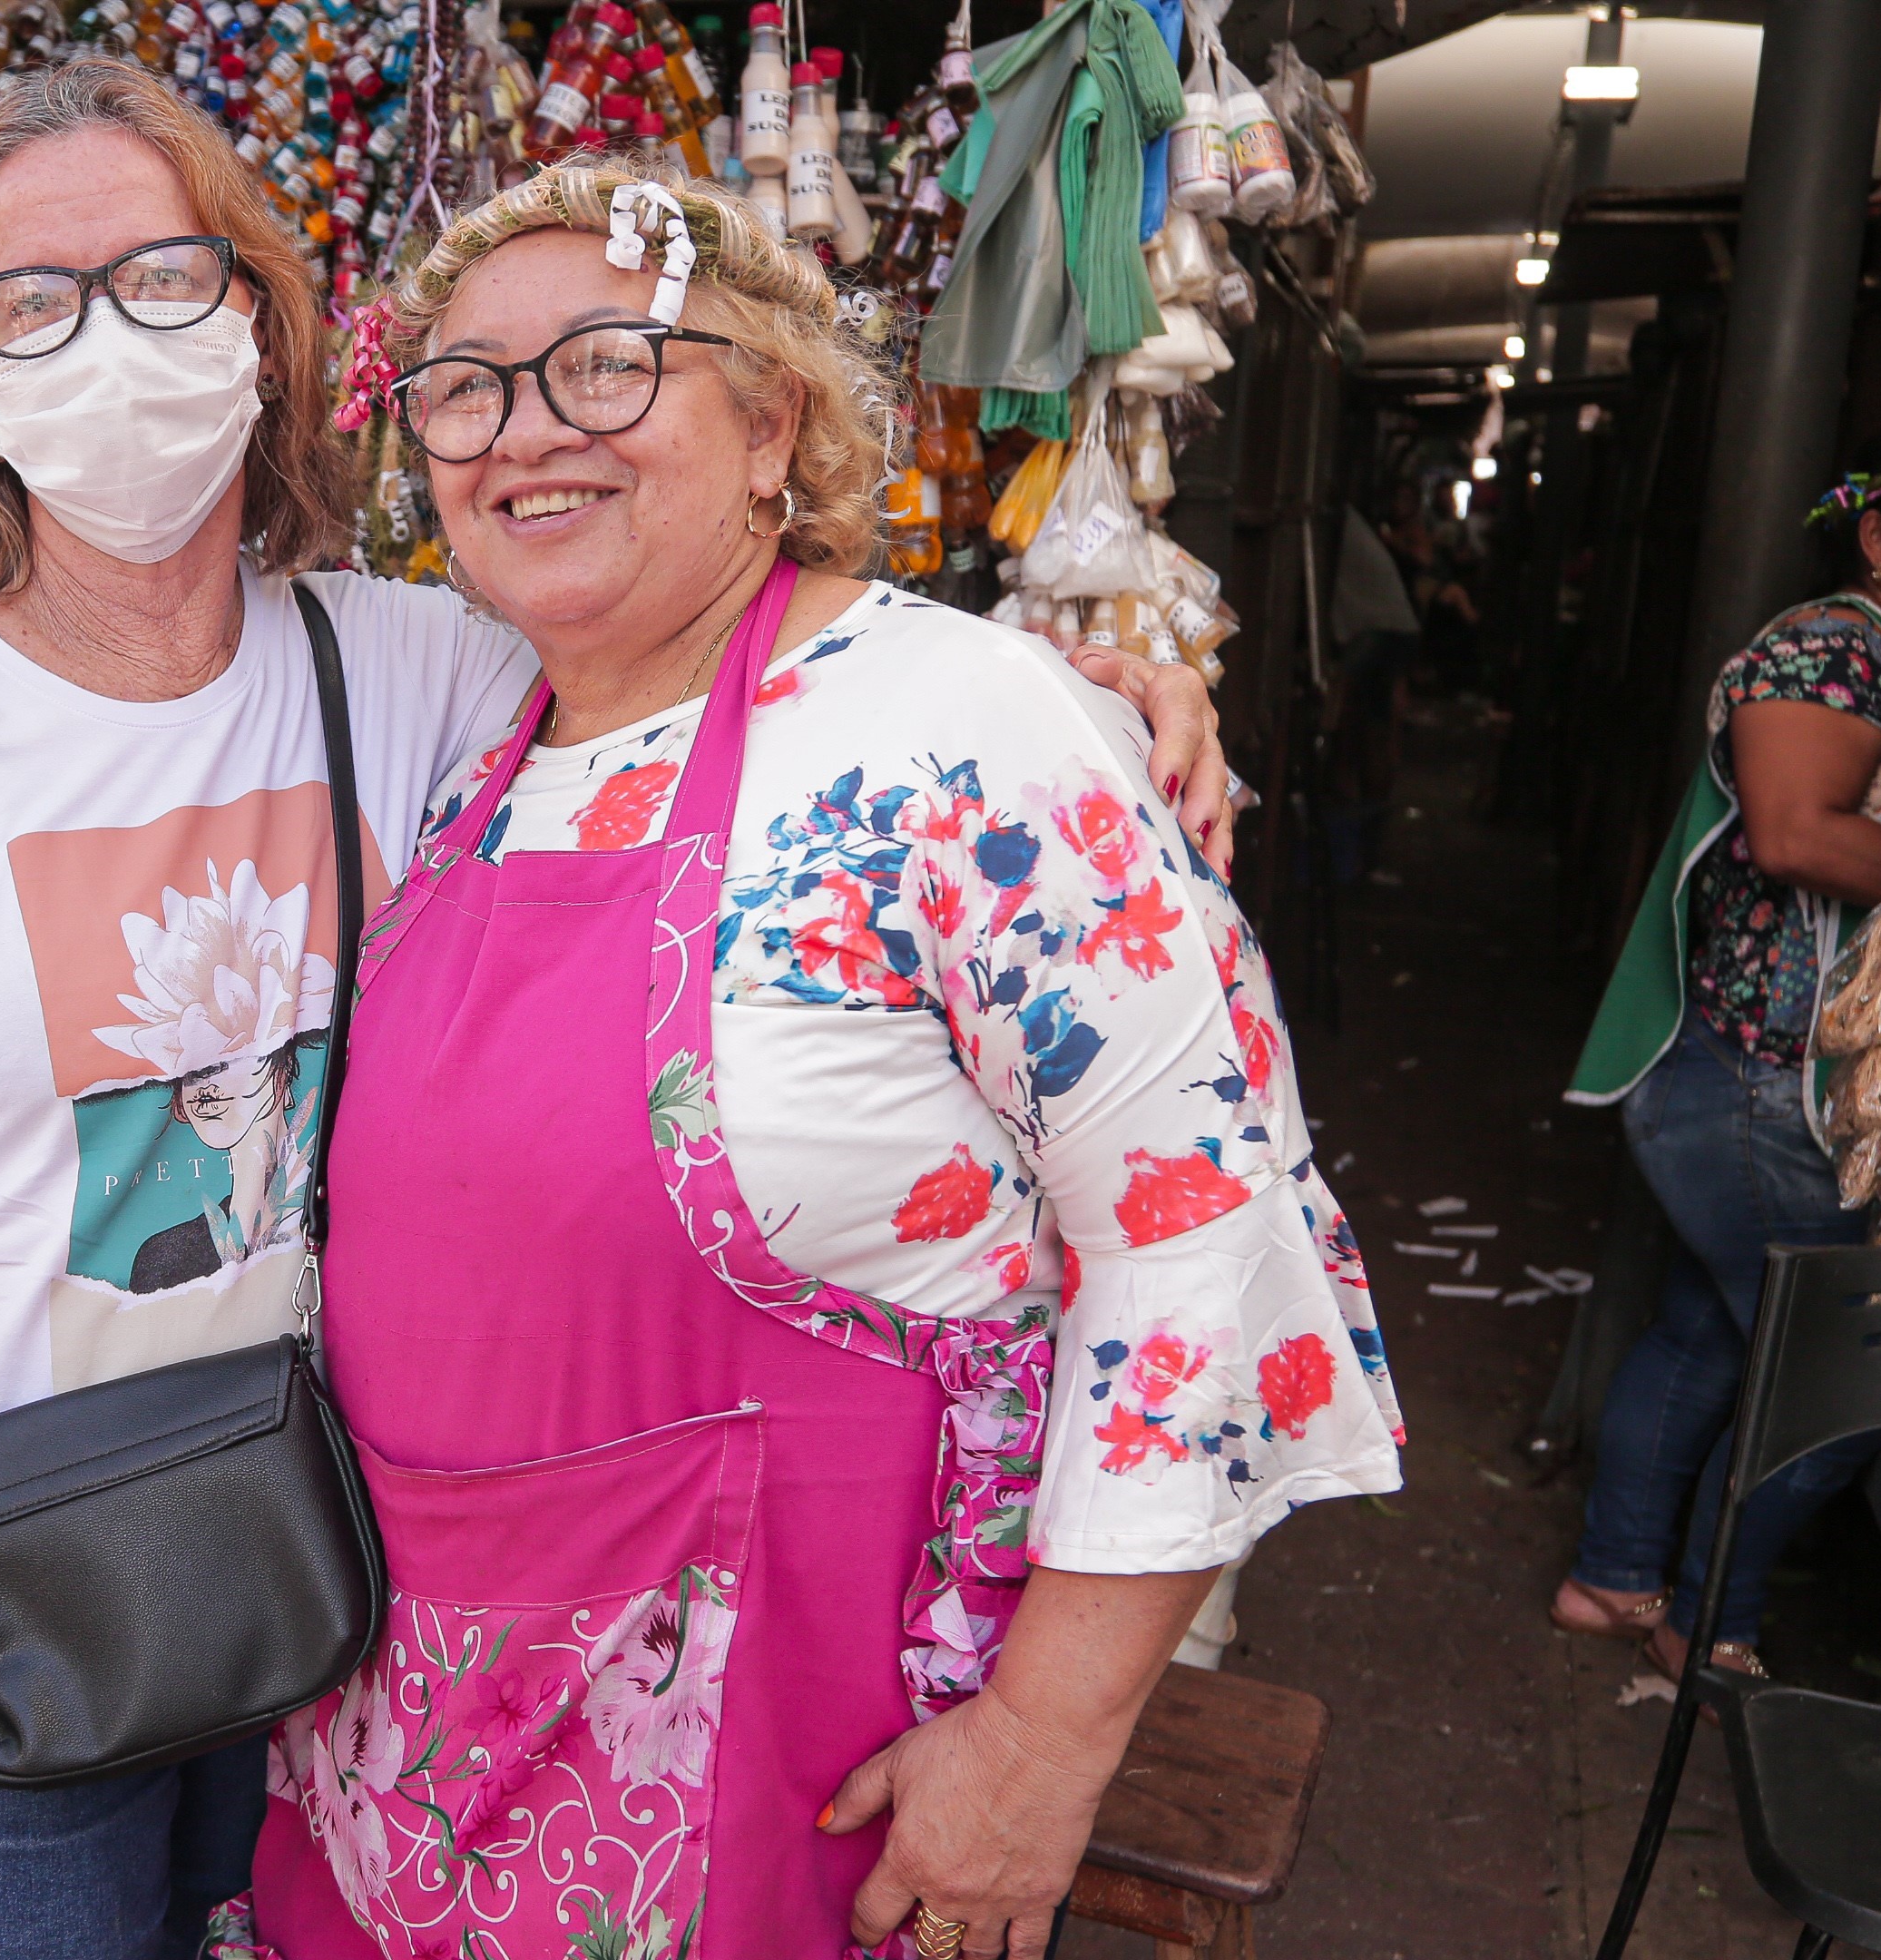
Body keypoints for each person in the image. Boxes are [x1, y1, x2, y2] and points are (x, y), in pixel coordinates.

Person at [0, 62, 1231, 1960]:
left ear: (258, 320)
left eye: (163, 276)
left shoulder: (423, 658)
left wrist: (1068, 690)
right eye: (32, 300)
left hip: (324, 1565)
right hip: (15, 1578)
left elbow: (725, 650)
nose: (102, 341)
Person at [209, 162, 1400, 1960]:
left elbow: (1205, 1241)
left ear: (774, 424)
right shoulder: (472, 756)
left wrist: (1044, 1748)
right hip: (408, 1745)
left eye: (609, 363)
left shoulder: (965, 730)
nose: (529, 430)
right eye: (465, 387)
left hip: (796, 1762)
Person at [1561, 426, 1881, 1678]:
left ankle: (1611, 1580)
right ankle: (1711, 1624)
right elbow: (1795, 837)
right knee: (1848, 1373)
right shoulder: (1832, 648)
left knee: (1713, 1338)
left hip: (1752, 1078)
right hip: (1754, 1080)